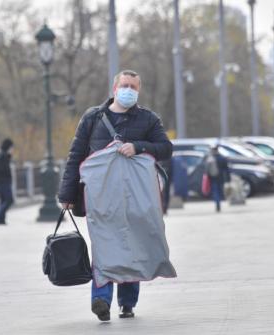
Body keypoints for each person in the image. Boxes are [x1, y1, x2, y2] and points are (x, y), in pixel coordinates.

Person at [58, 70, 175, 321]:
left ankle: (127, 302)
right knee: (104, 245)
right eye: (125, 85)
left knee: (132, 246)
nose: (129, 90)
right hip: (100, 198)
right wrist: (66, 194)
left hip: (136, 199)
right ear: (114, 88)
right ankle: (101, 299)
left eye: (134, 87)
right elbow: (75, 156)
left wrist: (139, 147)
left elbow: (166, 148)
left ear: (138, 91)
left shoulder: (148, 119)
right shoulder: (93, 117)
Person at [205, 145, 230, 212]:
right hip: (221, 177)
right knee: (219, 190)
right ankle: (219, 201)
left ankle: (217, 202)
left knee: (215, 191)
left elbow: (206, 169)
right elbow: (226, 169)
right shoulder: (222, 158)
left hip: (213, 177)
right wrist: (228, 179)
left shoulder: (210, 158)